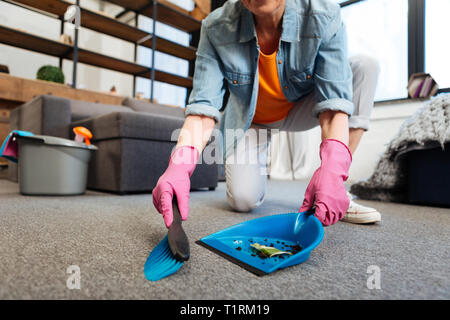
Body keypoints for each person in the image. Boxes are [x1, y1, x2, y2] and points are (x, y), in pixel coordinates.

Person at [152, 0, 381, 228]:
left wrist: (333, 170)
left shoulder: (324, 15)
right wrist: (178, 167)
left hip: (300, 108)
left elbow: (334, 106)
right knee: (243, 199)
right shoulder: (215, 27)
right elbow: (203, 110)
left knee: (364, 66)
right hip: (250, 121)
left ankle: (335, 186)